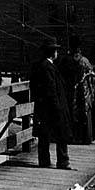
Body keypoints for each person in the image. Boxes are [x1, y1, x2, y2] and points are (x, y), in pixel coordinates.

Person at [30, 37, 73, 169]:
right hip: (52, 107)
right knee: (61, 134)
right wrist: (57, 107)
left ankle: (44, 161)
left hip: (43, 107)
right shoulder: (48, 67)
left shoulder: (41, 66)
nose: (57, 53)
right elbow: (51, 89)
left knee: (44, 135)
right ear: (52, 52)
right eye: (56, 51)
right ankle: (63, 161)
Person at [58, 37, 95, 144]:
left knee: (71, 113)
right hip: (83, 91)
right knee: (83, 112)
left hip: (70, 91)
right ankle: (84, 137)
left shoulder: (66, 60)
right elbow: (91, 76)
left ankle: (73, 136)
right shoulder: (84, 61)